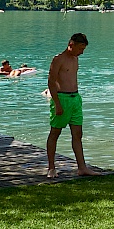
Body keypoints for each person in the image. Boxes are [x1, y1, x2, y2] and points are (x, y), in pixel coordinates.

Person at [46, 33, 98, 178]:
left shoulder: (75, 59)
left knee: (77, 134)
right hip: (62, 98)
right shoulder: (58, 59)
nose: (82, 52)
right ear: (71, 44)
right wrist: (57, 103)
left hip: (75, 98)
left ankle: (82, 167)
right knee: (55, 133)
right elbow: (51, 82)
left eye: (84, 49)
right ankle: (51, 168)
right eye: (80, 48)